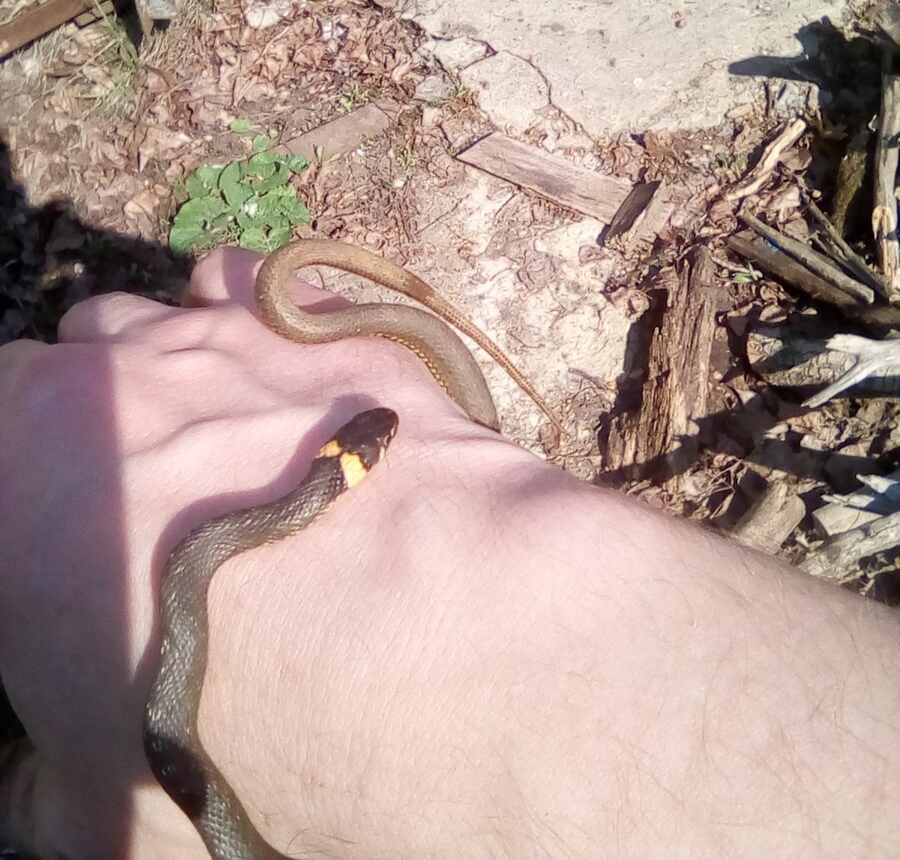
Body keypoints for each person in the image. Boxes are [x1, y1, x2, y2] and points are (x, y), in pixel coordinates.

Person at [0, 245, 897, 860]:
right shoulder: (226, 534)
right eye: (371, 451)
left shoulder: (239, 527)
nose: (374, 449)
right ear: (339, 467)